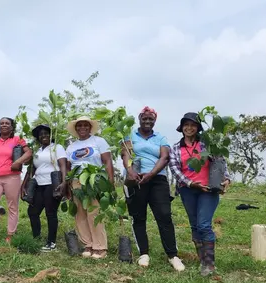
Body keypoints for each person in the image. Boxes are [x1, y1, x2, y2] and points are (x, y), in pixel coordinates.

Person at [121, 106, 185, 271]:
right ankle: (144, 253)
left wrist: (151, 174)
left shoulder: (160, 138)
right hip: (135, 180)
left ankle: (173, 255)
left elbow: (164, 157)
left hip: (157, 179)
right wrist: (130, 171)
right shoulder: (129, 136)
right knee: (138, 216)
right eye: (145, 118)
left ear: (154, 121)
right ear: (139, 119)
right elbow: (125, 155)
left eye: (151, 119)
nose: (147, 121)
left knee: (164, 215)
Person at [169, 112, 231, 276]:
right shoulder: (176, 148)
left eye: (193, 125)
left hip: (208, 189)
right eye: (186, 125)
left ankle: (209, 264)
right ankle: (202, 259)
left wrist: (227, 179)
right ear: (182, 128)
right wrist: (190, 183)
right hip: (188, 190)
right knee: (195, 225)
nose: (189, 128)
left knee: (204, 224)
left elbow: (221, 162)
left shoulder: (207, 144)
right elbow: (175, 170)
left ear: (198, 128)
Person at [65, 117, 113, 259]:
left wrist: (110, 182)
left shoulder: (99, 141)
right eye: (79, 126)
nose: (82, 128)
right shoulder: (71, 147)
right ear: (76, 129)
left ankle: (100, 246)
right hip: (76, 181)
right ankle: (88, 244)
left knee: (94, 212)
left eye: (86, 125)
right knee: (80, 213)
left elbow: (107, 161)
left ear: (90, 127)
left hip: (94, 180)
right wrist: (68, 186)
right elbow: (68, 168)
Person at [22, 124, 67, 252]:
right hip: (39, 184)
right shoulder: (38, 151)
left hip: (52, 183)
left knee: (50, 212)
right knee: (33, 212)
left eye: (46, 133)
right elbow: (32, 169)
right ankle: (36, 238)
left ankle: (51, 242)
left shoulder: (57, 148)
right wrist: (25, 185)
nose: (44, 136)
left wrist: (64, 182)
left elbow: (62, 165)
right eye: (41, 134)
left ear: (51, 135)